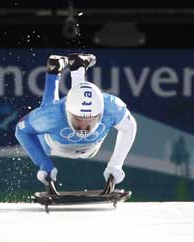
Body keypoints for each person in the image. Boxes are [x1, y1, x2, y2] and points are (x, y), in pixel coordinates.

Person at [15, 53, 137, 190]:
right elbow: (21, 131)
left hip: (73, 144)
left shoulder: (112, 107)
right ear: (67, 110)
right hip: (54, 145)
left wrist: (116, 164)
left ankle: (62, 68)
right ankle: (59, 71)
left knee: (51, 112)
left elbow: (130, 127)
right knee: (50, 110)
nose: (84, 128)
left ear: (102, 112)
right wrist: (43, 162)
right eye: (78, 120)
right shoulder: (52, 115)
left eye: (90, 120)